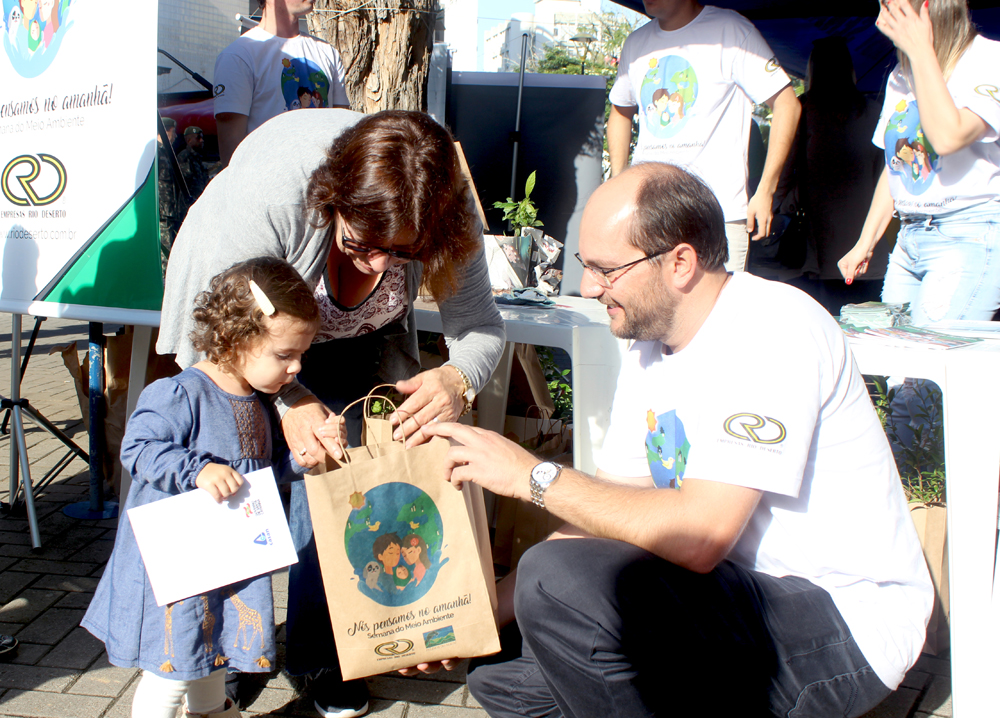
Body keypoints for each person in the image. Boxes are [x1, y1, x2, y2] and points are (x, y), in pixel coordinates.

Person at [421, 163, 933, 718]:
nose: (588, 287)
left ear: (681, 263)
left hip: (841, 623)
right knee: (502, 667)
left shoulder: (772, 329)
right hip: (728, 598)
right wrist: (478, 613)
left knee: (554, 585)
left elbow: (700, 537)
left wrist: (531, 476)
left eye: (605, 269)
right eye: (586, 266)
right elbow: (606, 512)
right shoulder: (649, 345)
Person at [158, 108, 505, 718]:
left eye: (403, 253)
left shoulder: (445, 208)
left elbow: (480, 326)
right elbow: (211, 329)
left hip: (356, 343)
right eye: (360, 244)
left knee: (341, 489)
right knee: (239, 483)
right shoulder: (274, 194)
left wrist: (457, 378)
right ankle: (225, 656)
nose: (379, 265)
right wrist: (288, 398)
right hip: (242, 337)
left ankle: (320, 655)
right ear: (332, 201)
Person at [82, 257, 322, 718]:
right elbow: (139, 448)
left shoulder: (258, 401)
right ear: (236, 339)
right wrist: (197, 470)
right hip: (181, 568)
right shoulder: (180, 393)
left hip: (227, 563)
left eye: (301, 355)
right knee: (173, 674)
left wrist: (301, 460)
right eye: (284, 355)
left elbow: (263, 469)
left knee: (214, 658)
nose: (295, 368)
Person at [607, 0, 801, 273]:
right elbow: (620, 111)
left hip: (717, 214)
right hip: (649, 212)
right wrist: (618, 182)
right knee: (648, 299)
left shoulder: (730, 30)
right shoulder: (636, 43)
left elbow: (787, 104)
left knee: (718, 301)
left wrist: (766, 190)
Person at [838, 0, 1000, 324]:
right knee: (893, 350)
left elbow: (948, 138)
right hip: (909, 238)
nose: (881, 19)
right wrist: (865, 242)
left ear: (928, 10)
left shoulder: (987, 59)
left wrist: (921, 51)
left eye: (892, 9)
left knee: (930, 352)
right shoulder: (901, 73)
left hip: (968, 232)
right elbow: (895, 166)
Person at [783, 37, 888, 315]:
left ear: (812, 70)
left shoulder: (802, 111)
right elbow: (886, 173)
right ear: (849, 69)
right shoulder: (873, 111)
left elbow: (785, 170)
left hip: (819, 241)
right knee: (869, 322)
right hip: (868, 240)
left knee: (822, 321)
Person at [213, 0, 350, 167]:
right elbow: (232, 160)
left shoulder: (328, 52)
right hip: (267, 180)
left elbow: (342, 129)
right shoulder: (237, 56)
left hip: (324, 180)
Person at [177, 126, 210, 202]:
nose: (202, 140)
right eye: (198, 138)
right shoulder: (185, 157)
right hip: (190, 203)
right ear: (189, 140)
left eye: (202, 137)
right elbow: (188, 183)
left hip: (200, 200)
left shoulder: (197, 157)